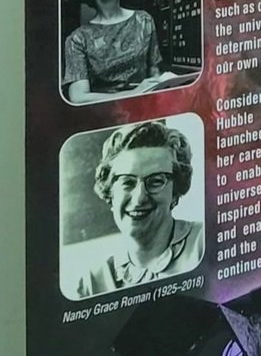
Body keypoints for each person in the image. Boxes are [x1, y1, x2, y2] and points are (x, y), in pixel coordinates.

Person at [62, 119, 204, 298]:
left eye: (156, 181)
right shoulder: (92, 283)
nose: (139, 198)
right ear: (110, 194)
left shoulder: (204, 243)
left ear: (175, 192)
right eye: (127, 182)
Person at [62, 0, 178, 103]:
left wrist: (164, 83)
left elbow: (154, 74)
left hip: (144, 107)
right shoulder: (78, 39)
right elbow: (78, 97)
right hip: (105, 113)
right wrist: (133, 93)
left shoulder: (143, 20)